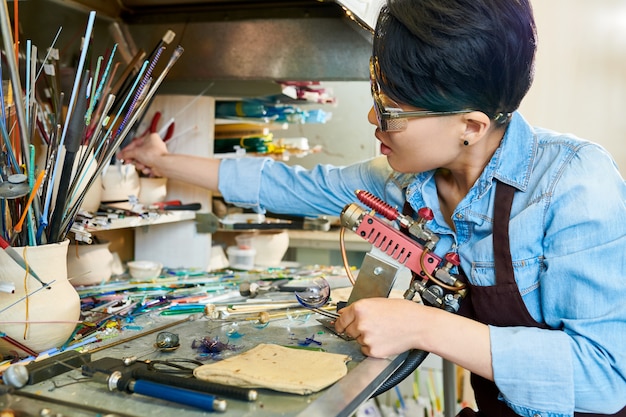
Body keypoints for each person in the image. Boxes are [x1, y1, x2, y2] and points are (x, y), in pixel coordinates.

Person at [118, 0, 626, 416]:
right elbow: (286, 184)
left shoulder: (573, 184)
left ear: (469, 126)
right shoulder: (409, 181)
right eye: (376, 94)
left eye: (390, 111)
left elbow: (606, 378)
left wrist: (421, 325)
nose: (371, 117)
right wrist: (162, 161)